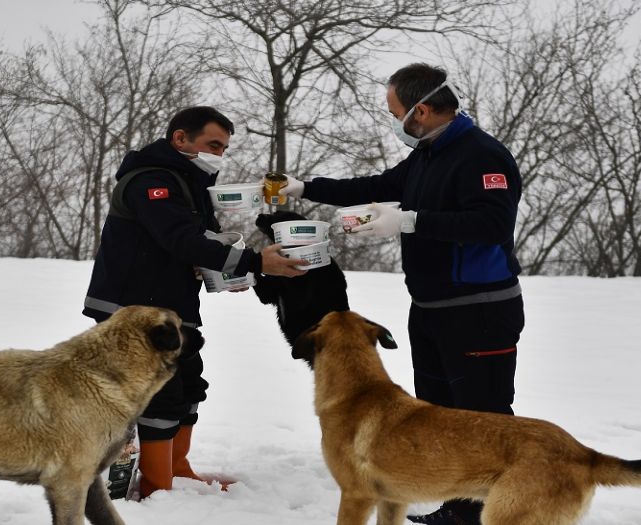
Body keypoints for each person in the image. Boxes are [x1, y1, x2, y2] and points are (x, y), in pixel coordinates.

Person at [278, 64, 525, 525]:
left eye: (395, 113)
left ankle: (486, 514)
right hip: (430, 308)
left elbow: (492, 224)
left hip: (479, 309)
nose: (394, 123)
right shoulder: (428, 154)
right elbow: (377, 187)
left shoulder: (482, 156)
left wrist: (410, 221)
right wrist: (306, 188)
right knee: (437, 420)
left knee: (482, 418)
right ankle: (456, 508)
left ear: (422, 110)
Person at [83, 106, 307, 498]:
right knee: (160, 396)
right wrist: (256, 261)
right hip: (133, 311)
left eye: (223, 148)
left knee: (188, 386)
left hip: (171, 307)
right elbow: (180, 239)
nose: (219, 154)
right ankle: (157, 485)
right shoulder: (150, 180)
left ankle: (177, 469)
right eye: (212, 144)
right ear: (180, 139)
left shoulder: (189, 181)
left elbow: (199, 241)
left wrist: (233, 273)